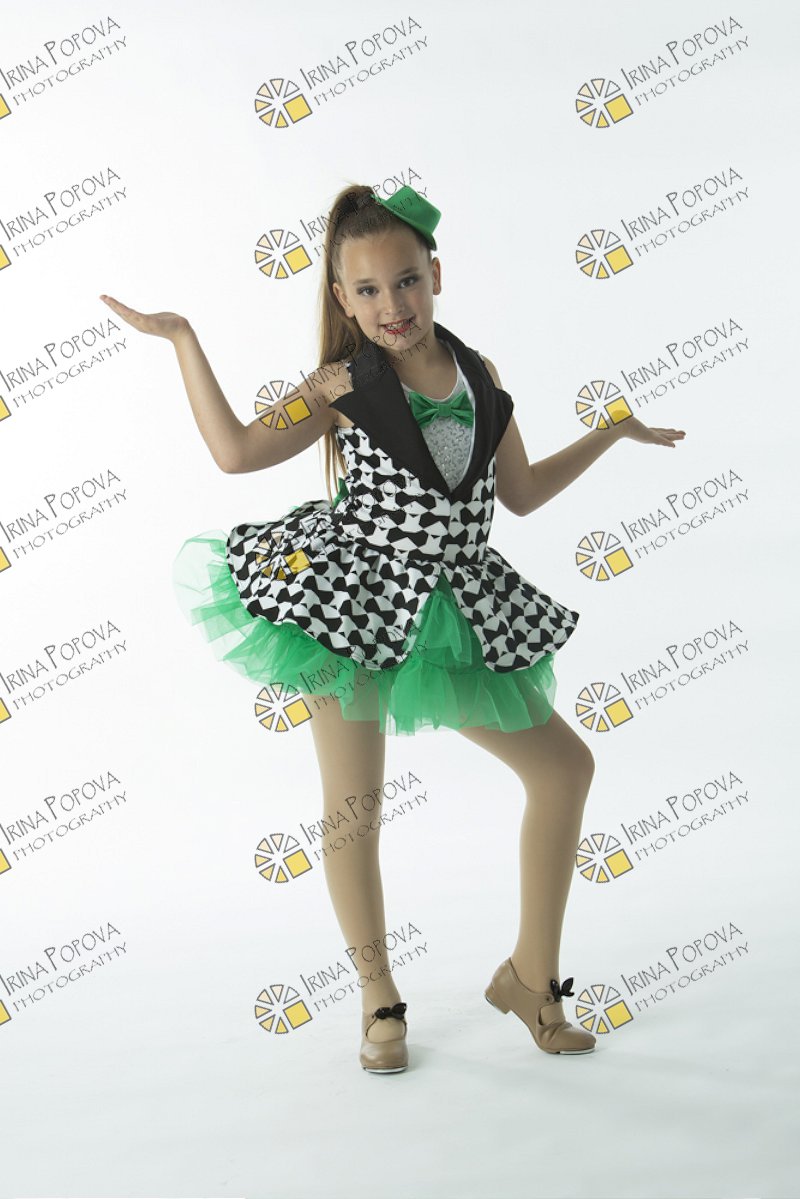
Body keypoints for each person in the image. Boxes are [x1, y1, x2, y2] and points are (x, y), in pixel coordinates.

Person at [98, 183, 685, 1075]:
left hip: (451, 607)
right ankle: (379, 995)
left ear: (435, 275)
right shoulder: (342, 384)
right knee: (355, 809)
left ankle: (531, 978)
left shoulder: (480, 373)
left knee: (564, 767)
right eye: (367, 290)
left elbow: (521, 493)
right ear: (342, 299)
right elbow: (236, 452)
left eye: (406, 281)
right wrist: (184, 339)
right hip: (348, 601)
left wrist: (609, 433)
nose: (392, 305)